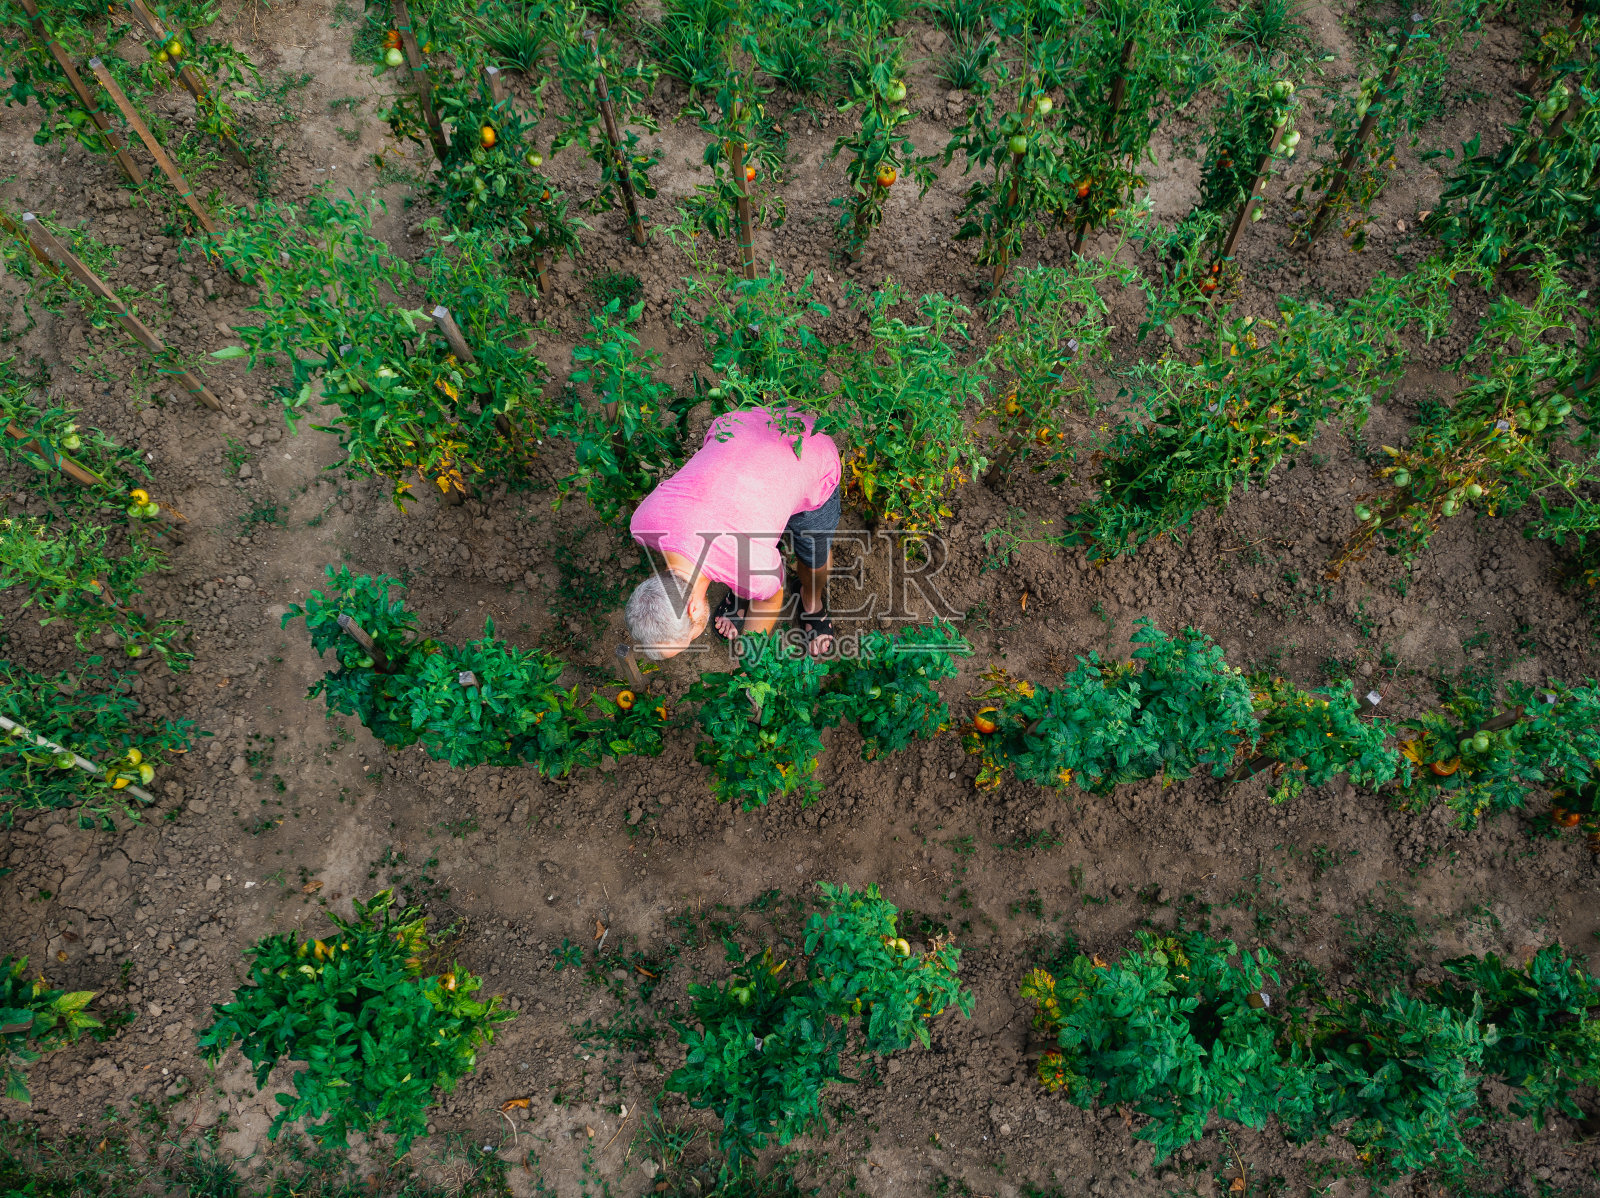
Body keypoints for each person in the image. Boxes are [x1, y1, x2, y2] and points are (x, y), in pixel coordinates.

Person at [625, 406, 840, 660]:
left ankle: (811, 601)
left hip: (809, 451)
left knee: (814, 556)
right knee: (749, 560)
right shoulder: (642, 523)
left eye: (688, 639)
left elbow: (770, 600)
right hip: (740, 425)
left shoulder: (753, 571)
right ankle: (747, 581)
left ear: (693, 609)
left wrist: (747, 656)